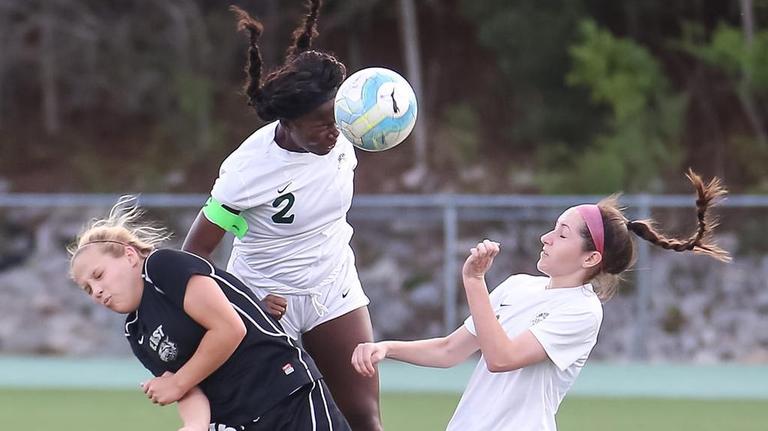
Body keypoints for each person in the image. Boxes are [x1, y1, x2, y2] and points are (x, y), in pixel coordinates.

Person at [352, 169, 731, 431]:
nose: (546, 238)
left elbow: (501, 358)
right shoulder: (518, 286)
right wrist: (385, 348)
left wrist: (474, 282)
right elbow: (451, 351)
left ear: (590, 258)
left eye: (561, 234)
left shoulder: (582, 311)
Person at [181, 2, 382, 429]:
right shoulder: (247, 171)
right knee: (266, 421)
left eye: (337, 122)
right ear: (287, 123)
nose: (334, 132)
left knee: (363, 416)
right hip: (266, 298)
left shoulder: (345, 132)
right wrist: (243, 301)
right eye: (320, 124)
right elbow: (193, 255)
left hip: (333, 287)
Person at [68, 197, 350, 431]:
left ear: (130, 256)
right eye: (88, 289)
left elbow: (228, 329)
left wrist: (177, 383)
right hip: (236, 421)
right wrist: (195, 424)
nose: (97, 291)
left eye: (98, 275)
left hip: (286, 397)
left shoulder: (160, 266)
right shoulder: (136, 331)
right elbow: (188, 388)